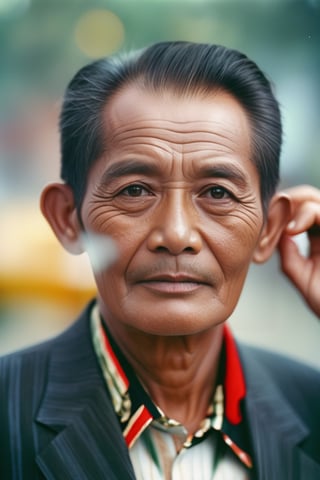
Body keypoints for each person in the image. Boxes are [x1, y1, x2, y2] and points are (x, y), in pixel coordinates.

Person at [0, 42, 319, 480]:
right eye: (135, 190)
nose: (177, 235)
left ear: (269, 228)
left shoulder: (312, 406)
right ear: (69, 218)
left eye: (217, 193)